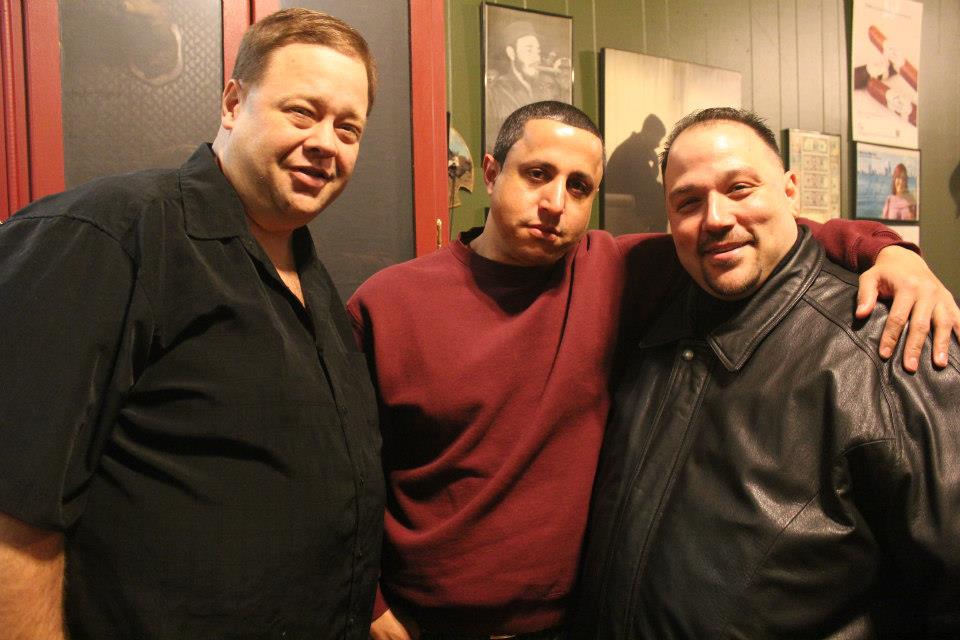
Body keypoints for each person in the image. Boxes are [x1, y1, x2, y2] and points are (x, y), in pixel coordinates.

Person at [348, 101, 960, 639]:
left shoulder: (610, 270)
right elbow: (340, 471)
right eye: (537, 174)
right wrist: (368, 604)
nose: (555, 203)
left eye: (579, 186)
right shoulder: (390, 302)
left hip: (562, 625)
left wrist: (890, 251)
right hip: (420, 623)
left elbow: (770, 230)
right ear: (490, 172)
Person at [0, 9, 384, 639]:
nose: (326, 143)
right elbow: (15, 509)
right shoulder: (110, 235)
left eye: (348, 128)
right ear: (233, 103)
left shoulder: (312, 279)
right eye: (301, 113)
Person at [572, 108, 960, 638]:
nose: (715, 217)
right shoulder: (645, 311)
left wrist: (893, 251)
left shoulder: (893, 349)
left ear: (791, 191)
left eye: (740, 188)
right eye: (688, 201)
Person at [486, 21, 569, 152]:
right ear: (511, 53)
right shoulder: (494, 93)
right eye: (529, 50)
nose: (536, 58)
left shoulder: (548, 91)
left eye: (537, 51)